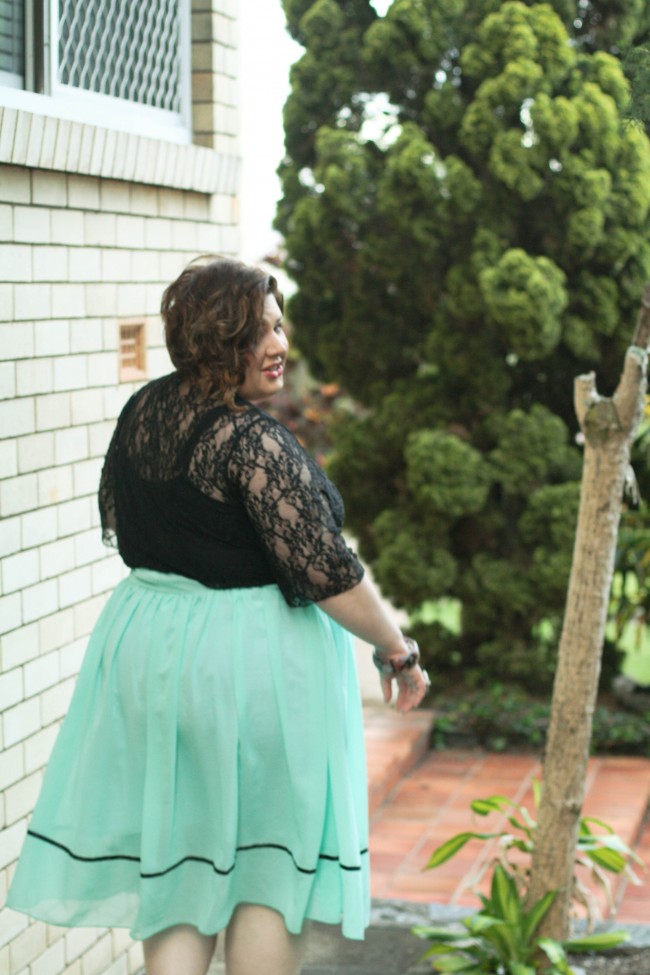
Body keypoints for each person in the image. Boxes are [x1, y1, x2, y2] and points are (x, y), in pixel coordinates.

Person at [7, 256, 430, 975]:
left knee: (178, 856)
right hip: (247, 664)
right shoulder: (248, 440)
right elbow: (325, 569)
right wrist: (397, 648)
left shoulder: (144, 410)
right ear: (212, 338)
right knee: (265, 866)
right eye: (255, 330)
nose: (278, 343)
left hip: (149, 652)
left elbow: (121, 520)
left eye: (277, 323)